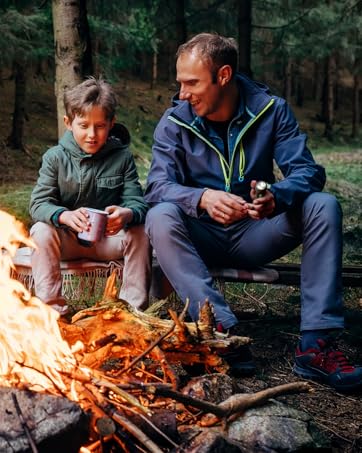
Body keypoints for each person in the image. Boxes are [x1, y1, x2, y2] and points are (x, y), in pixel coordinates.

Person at [144, 33, 362, 391]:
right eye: (180, 82)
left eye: (192, 83)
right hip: (201, 235)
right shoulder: (173, 122)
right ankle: (220, 330)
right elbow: (156, 186)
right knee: (160, 215)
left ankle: (316, 347)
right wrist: (202, 198)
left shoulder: (271, 110)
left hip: (257, 232)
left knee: (323, 205)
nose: (182, 93)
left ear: (224, 75)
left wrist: (278, 195)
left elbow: (309, 172)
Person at [30, 77, 151, 315]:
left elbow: (138, 203)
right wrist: (63, 216)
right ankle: (52, 313)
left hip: (108, 239)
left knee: (140, 231)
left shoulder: (122, 157)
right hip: (68, 241)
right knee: (40, 231)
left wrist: (126, 214)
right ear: (69, 122)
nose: (92, 135)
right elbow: (38, 204)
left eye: (100, 126)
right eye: (83, 125)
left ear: (111, 123)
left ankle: (132, 313)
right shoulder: (55, 157)